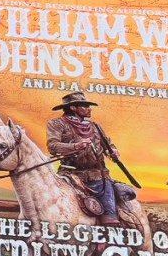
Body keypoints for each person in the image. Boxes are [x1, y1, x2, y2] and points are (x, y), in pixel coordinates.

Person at [46, 92, 136, 227]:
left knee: (109, 217)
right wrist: (76, 146)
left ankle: (112, 229)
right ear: (73, 108)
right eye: (85, 106)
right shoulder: (57, 124)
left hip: (97, 176)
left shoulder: (95, 127)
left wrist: (112, 151)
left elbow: (108, 145)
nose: (89, 109)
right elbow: (53, 146)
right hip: (70, 174)